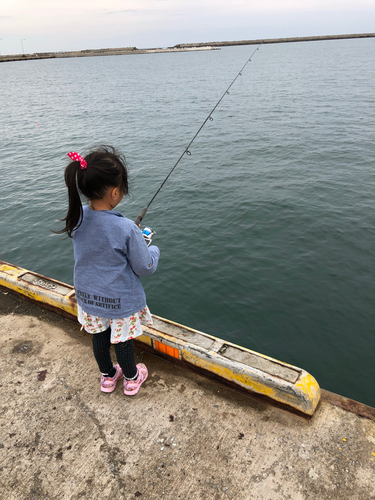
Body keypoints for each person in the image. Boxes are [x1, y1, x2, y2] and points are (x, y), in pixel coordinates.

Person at [57, 146, 160, 395]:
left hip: (89, 298)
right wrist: (153, 249)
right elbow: (144, 267)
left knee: (99, 338)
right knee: (123, 341)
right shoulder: (126, 228)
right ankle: (132, 379)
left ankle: (108, 377)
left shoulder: (77, 216)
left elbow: (100, 236)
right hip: (120, 301)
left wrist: (127, 230)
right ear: (115, 192)